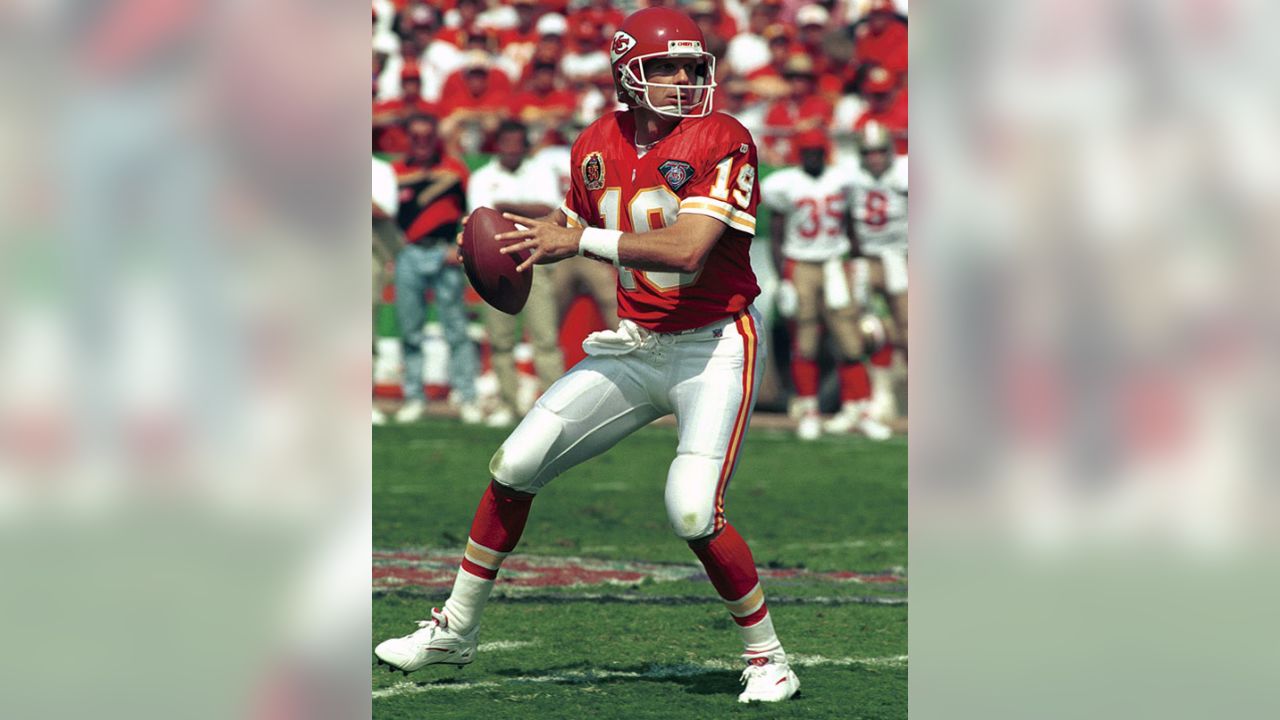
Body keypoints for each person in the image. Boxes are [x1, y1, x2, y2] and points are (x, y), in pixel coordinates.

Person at [375, 7, 800, 704]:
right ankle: (454, 628)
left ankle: (768, 657)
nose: (683, 79)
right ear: (627, 74)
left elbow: (688, 250)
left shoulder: (722, 137)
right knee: (514, 465)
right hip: (634, 345)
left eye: (692, 66)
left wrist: (581, 242)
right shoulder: (597, 142)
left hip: (713, 345)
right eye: (665, 66)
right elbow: (573, 226)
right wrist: (509, 239)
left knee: (692, 511)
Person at [761, 130, 891, 442]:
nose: (813, 158)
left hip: (835, 263)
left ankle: (857, 410)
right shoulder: (784, 185)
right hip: (801, 264)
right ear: (799, 153)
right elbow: (777, 237)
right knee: (804, 341)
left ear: (825, 152)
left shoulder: (842, 180)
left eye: (817, 152)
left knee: (850, 340)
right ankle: (808, 410)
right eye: (808, 152)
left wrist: (857, 262)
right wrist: (783, 279)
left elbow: (850, 224)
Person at [466, 120, 565, 427]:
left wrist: (507, 206)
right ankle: (509, 404)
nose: (511, 148)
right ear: (497, 146)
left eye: (516, 142)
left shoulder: (540, 171)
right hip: (494, 264)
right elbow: (478, 220)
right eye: (505, 142)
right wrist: (525, 209)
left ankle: (554, 407)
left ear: (525, 145)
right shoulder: (482, 176)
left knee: (545, 338)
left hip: (534, 258)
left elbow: (550, 209)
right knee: (500, 340)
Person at [391, 113, 483, 425]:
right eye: (415, 137)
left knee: (455, 328)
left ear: (435, 138)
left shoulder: (455, 169)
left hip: (444, 252)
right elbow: (386, 216)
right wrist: (396, 249)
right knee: (411, 330)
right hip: (410, 254)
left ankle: (466, 397)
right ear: (408, 139)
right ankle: (413, 396)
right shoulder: (396, 171)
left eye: (427, 136)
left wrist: (458, 248)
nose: (421, 143)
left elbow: (472, 212)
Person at [846, 120, 908, 420]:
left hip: (902, 257)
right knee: (863, 329)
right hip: (866, 259)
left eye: (880, 151)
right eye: (868, 151)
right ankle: (874, 395)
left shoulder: (906, 172)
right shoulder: (848, 177)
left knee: (911, 330)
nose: (874, 157)